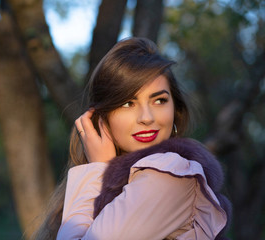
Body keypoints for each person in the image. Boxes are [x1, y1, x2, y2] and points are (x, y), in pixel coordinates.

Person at [33, 37, 231, 240]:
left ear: (175, 109)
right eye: (128, 103)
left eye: (159, 100)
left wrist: (95, 170)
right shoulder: (119, 178)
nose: (147, 118)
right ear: (102, 117)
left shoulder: (171, 173)